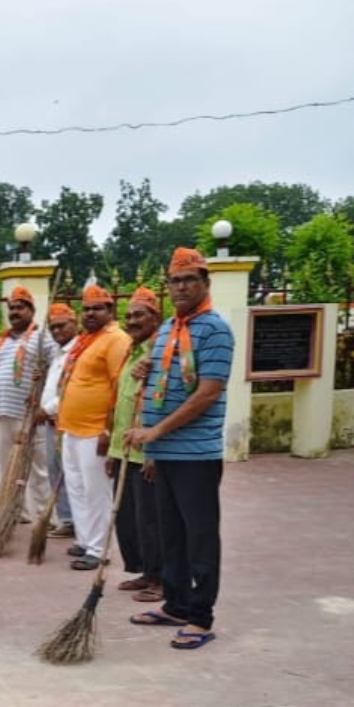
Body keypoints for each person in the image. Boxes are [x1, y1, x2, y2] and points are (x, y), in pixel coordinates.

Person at [125, 248, 234, 649]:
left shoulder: (215, 330)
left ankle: (201, 617)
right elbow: (160, 384)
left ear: (205, 283)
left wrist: (157, 433)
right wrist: (143, 370)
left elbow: (207, 393)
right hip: (166, 454)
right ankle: (175, 603)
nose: (182, 287)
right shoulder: (169, 327)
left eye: (190, 279)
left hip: (197, 455)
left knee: (200, 537)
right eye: (175, 281)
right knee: (171, 534)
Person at [57, 284, 131, 571]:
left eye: (97, 308)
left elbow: (118, 385)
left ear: (110, 311)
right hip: (72, 428)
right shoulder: (86, 339)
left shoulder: (115, 339)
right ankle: (85, 540)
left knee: (96, 491)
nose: (90, 313)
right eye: (86, 309)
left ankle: (99, 549)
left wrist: (108, 431)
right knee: (76, 487)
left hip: (95, 430)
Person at [106, 287, 164, 602]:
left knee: (151, 518)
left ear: (155, 317)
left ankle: (162, 578)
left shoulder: (161, 352)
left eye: (139, 315)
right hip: (124, 448)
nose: (132, 321)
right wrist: (114, 448)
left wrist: (155, 449)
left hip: (148, 450)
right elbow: (123, 400)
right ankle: (145, 571)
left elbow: (162, 401)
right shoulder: (133, 351)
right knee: (129, 518)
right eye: (128, 316)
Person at [0, 286, 56, 522]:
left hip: (31, 413)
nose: (15, 312)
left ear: (32, 310)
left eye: (20, 307)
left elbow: (57, 370)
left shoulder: (43, 336)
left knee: (39, 469)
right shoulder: (2, 341)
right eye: (12, 308)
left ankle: (47, 517)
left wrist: (44, 399)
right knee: (8, 467)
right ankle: (18, 512)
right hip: (3, 413)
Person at [35, 302, 77, 538]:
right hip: (52, 422)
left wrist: (48, 408)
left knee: (69, 473)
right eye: (53, 327)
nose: (57, 331)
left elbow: (71, 388)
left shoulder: (77, 351)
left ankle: (74, 520)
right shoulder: (58, 353)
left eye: (62, 326)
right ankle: (66, 519)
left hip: (67, 421)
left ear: (74, 323)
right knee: (55, 470)